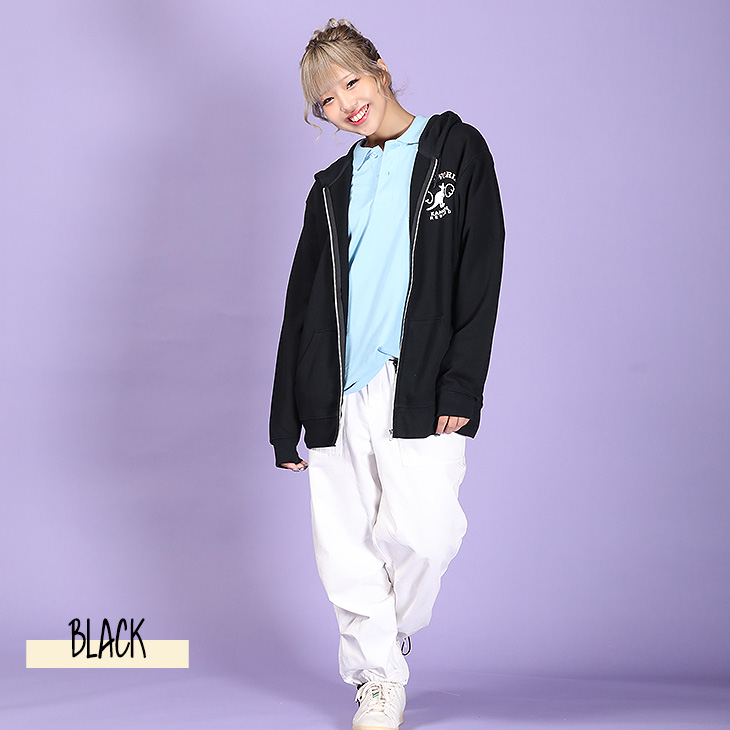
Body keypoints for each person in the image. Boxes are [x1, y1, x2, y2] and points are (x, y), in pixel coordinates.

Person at [269, 18, 505, 730]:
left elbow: (480, 272)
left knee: (427, 536)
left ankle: (387, 637)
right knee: (345, 548)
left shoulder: (455, 150)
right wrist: (285, 418)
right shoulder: (330, 187)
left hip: (419, 381)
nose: (345, 104)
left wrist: (462, 384)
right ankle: (377, 678)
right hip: (335, 389)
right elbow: (301, 304)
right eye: (326, 100)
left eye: (350, 82)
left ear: (379, 69)